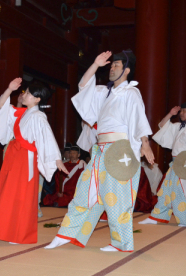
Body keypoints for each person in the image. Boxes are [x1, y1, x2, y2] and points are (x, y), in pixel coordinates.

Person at [45, 50, 154, 252]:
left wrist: (145, 143)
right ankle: (65, 234)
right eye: (111, 65)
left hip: (120, 151)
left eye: (117, 65)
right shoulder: (104, 91)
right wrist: (95, 64)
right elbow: (83, 86)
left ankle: (120, 243)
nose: (112, 67)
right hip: (100, 150)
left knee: (118, 199)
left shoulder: (131, 93)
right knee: (84, 191)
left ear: (127, 70)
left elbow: (139, 119)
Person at [0, 78, 68, 244]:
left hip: (25, 159)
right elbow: (2, 108)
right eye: (25, 92)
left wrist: (56, 159)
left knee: (20, 196)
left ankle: (18, 233)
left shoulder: (38, 116)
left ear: (37, 99)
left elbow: (47, 137)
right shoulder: (23, 113)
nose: (25, 95)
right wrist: (9, 89)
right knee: (1, 192)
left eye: (29, 93)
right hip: (14, 156)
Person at [139, 97, 186, 227]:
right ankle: (157, 216)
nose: (182, 114)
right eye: (181, 111)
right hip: (175, 164)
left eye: (185, 111)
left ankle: (185, 220)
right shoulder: (178, 126)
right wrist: (170, 114)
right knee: (165, 190)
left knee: (182, 191)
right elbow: (163, 125)